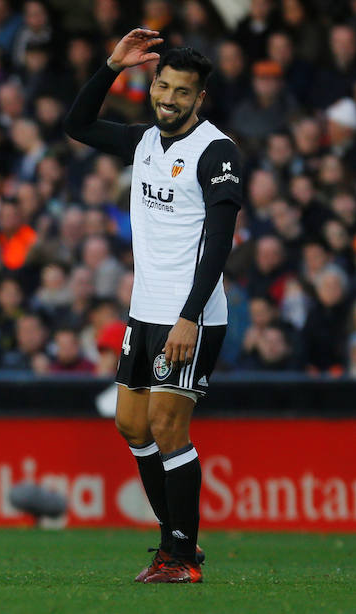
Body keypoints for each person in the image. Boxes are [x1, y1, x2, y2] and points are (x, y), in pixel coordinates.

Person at [65, 30, 243, 583]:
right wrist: (111, 67)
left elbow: (218, 242)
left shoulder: (217, 153)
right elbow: (78, 125)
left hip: (190, 314)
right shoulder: (143, 142)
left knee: (169, 428)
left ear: (198, 99)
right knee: (131, 425)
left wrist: (190, 315)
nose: (168, 98)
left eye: (181, 91)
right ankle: (175, 538)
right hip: (144, 310)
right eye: (162, 85)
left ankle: (182, 557)